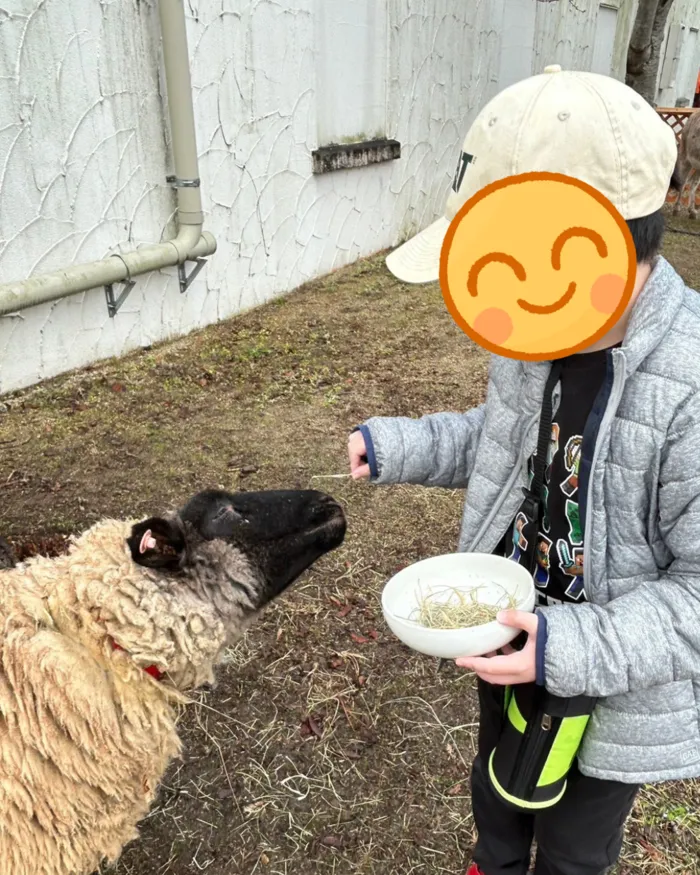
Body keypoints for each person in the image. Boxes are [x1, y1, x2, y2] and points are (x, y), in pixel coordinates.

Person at [347, 66, 700, 875]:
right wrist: (398, 445)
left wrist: (564, 646)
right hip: (508, 634)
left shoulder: (689, 386)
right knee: (498, 794)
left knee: (573, 846)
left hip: (607, 687)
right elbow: (502, 441)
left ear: (581, 248)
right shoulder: (538, 336)